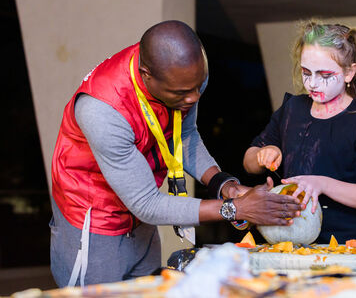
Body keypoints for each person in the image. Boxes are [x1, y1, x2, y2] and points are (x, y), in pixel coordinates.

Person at [50, 20, 303, 287]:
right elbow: (147, 203)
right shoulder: (101, 111)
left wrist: (224, 185)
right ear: (146, 74)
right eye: (182, 92)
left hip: (140, 220)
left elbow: (184, 135)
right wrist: (235, 209)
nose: (193, 98)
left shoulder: (184, 77)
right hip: (93, 222)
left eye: (198, 86)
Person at [243, 20, 356, 244]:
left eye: (324, 75)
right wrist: (265, 153)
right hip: (286, 246)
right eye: (306, 72)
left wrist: (321, 184)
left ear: (349, 72)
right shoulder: (293, 109)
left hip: (342, 248)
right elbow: (249, 161)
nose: (312, 83)